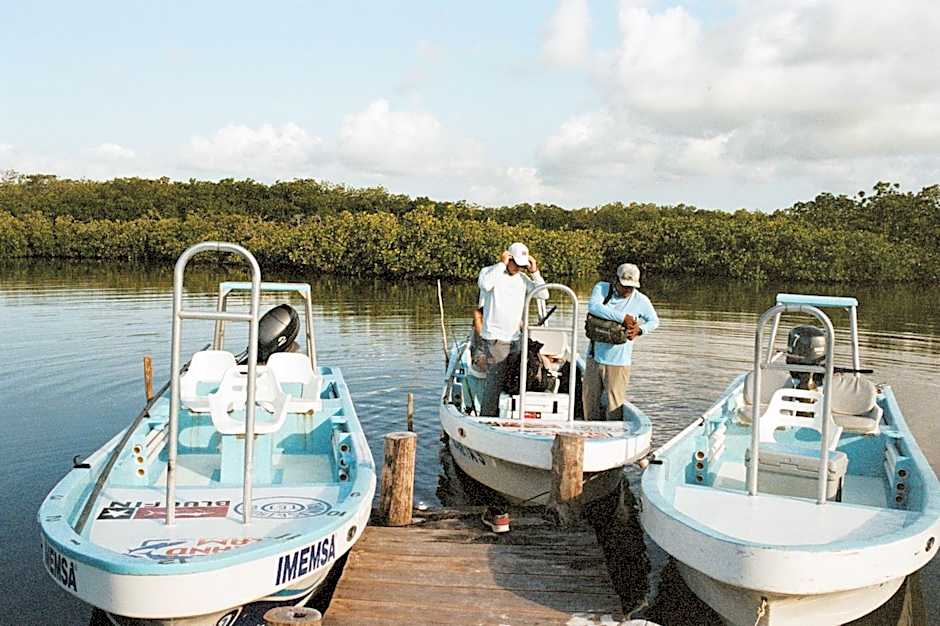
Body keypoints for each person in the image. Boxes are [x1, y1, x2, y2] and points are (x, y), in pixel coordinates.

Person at [476, 242, 548, 417]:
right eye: (515, 263)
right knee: (495, 381)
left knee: (513, 378)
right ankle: (487, 417)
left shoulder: (523, 279)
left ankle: (508, 415)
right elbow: (485, 285)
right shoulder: (490, 272)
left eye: (522, 265)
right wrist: (501, 264)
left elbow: (543, 294)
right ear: (508, 258)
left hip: (515, 337)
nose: (518, 268)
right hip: (495, 338)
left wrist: (534, 272)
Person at [583, 262, 659, 421]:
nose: (628, 290)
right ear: (616, 280)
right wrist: (623, 318)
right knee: (589, 401)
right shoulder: (602, 288)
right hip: (594, 357)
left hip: (619, 362)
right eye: (625, 286)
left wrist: (640, 330)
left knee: (614, 405)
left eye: (632, 287)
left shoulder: (641, 300)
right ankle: (590, 429)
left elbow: (654, 321)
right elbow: (594, 307)